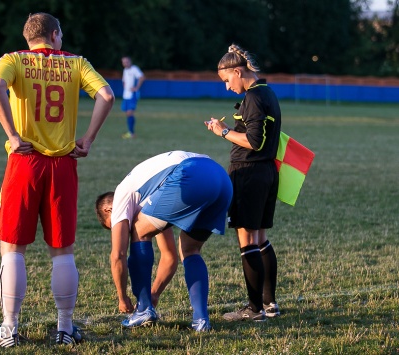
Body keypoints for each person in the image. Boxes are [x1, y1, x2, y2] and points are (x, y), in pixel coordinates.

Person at [0, 12, 115, 348]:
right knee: (62, 250)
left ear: (30, 37)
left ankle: (9, 329)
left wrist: (12, 134)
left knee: (13, 247)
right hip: (62, 164)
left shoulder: (13, 59)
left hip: (24, 161)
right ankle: (65, 328)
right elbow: (107, 96)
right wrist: (87, 139)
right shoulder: (76, 63)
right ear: (55, 35)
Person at [95, 151, 233, 332]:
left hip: (189, 174)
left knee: (139, 231)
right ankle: (201, 320)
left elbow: (118, 255)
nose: (121, 231)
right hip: (221, 178)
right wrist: (154, 293)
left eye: (114, 226)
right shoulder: (152, 198)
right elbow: (169, 257)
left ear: (109, 209)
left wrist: (122, 297)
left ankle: (143, 309)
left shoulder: (122, 194)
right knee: (190, 250)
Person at [205, 44, 281, 322]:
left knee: (247, 239)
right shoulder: (267, 92)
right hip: (265, 173)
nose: (226, 87)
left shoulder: (253, 98)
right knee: (260, 239)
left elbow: (253, 141)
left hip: (249, 174)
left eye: (227, 80)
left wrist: (222, 131)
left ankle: (255, 310)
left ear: (238, 71)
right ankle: (269, 304)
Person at [120, 56, 145, 139]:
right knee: (128, 114)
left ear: (130, 61)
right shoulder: (125, 70)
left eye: (127, 61)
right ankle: (131, 132)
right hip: (126, 95)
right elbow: (124, 80)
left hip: (132, 95)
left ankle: (131, 133)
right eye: (124, 62)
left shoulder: (134, 69)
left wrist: (136, 87)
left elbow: (141, 77)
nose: (125, 63)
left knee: (130, 113)